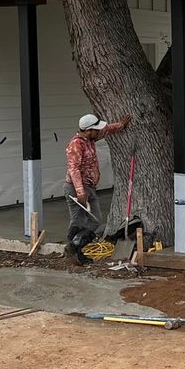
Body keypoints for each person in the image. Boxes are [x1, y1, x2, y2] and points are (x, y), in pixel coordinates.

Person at [66, 111, 131, 264]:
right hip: (76, 188)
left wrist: (120, 125)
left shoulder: (90, 139)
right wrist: (80, 192)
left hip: (89, 187)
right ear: (87, 130)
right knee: (78, 221)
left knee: (95, 220)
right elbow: (73, 168)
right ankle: (74, 250)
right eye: (95, 129)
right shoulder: (76, 144)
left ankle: (74, 248)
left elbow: (106, 130)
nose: (98, 131)